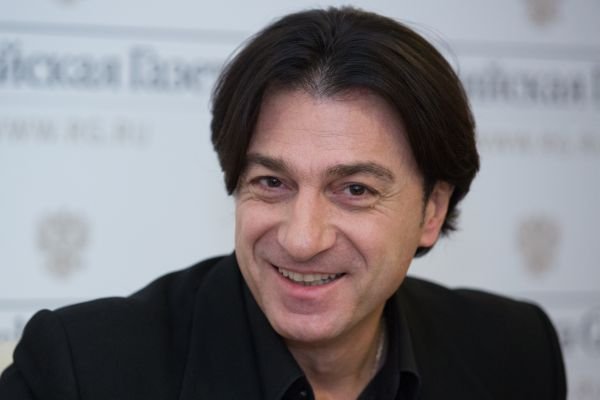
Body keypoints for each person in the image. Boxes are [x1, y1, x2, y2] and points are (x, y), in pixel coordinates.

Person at [0, 7, 566, 400]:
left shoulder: (515, 352)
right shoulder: (80, 372)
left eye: (355, 190)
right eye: (272, 182)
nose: (301, 238)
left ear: (432, 212)